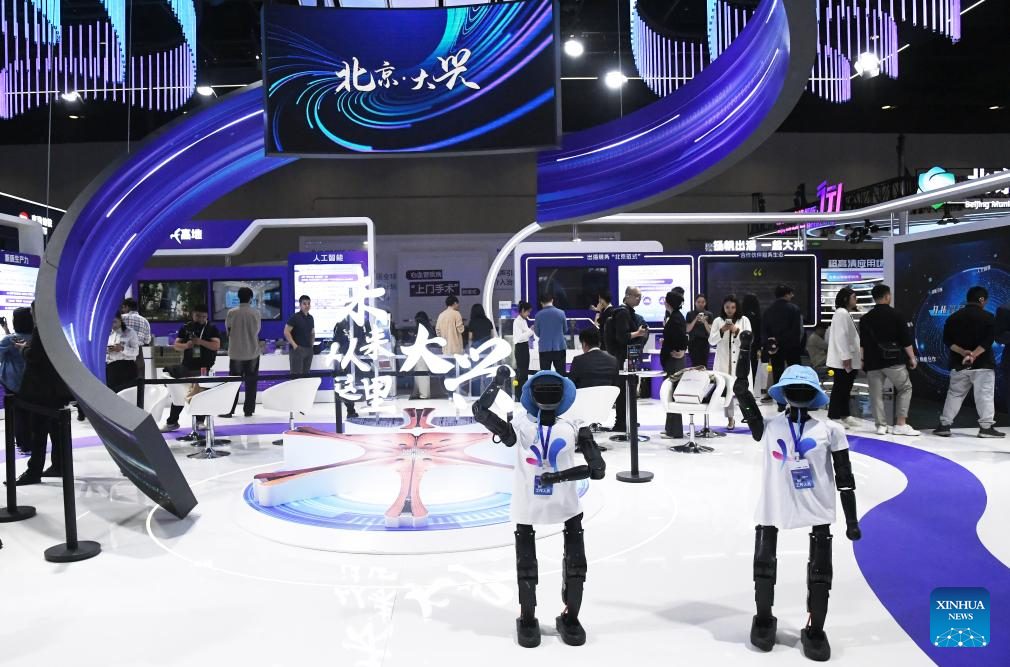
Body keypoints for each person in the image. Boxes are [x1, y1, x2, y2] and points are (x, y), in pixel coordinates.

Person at [734, 364, 862, 661]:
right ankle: (763, 618)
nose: (800, 392)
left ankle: (815, 628)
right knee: (763, 562)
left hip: (817, 504)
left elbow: (845, 479)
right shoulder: (770, 426)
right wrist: (742, 389)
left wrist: (852, 520)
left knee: (821, 569)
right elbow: (749, 408)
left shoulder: (831, 431)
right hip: (774, 503)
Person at [471, 370, 606, 648]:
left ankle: (564, 617)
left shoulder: (567, 424)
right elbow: (480, 412)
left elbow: (597, 468)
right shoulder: (529, 424)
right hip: (539, 500)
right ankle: (531, 617)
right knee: (531, 564)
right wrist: (496, 384)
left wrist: (557, 477)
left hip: (556, 500)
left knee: (572, 564)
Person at [15, 303, 74, 484]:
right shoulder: (58, 329)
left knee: (38, 431)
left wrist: (23, 349)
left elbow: (34, 357)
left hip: (41, 390)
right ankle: (58, 465)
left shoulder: (41, 329)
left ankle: (34, 471)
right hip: (55, 389)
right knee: (55, 430)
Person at [935, 286, 1005, 438]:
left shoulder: (953, 317)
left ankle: (944, 426)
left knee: (954, 395)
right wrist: (973, 355)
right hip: (983, 365)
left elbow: (947, 341)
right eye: (986, 300)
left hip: (959, 363)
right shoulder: (988, 317)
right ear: (982, 299)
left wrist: (964, 353)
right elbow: (988, 341)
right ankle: (986, 428)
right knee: (984, 396)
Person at [859, 284, 919, 436]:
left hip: (872, 362)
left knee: (875, 394)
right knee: (905, 388)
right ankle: (900, 424)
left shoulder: (865, 319)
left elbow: (863, 343)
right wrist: (912, 357)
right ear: (887, 296)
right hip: (893, 361)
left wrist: (862, 360)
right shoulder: (897, 315)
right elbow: (905, 340)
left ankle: (881, 426)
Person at [161, 305, 221, 432]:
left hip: (204, 367)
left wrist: (200, 342)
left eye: (204, 316)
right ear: (192, 315)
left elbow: (216, 346)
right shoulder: (186, 327)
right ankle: (172, 422)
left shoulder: (211, 328)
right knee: (180, 394)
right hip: (187, 367)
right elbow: (176, 345)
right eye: (198, 316)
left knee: (201, 395)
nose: (201, 319)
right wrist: (186, 345)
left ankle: (199, 421)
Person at [607, 286, 650, 431]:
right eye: (636, 296)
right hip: (622, 358)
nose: (639, 299)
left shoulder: (628, 312)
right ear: (627, 296)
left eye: (640, 296)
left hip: (626, 358)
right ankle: (621, 423)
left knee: (628, 390)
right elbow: (622, 337)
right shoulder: (623, 313)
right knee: (623, 391)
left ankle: (628, 420)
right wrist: (638, 333)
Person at [709, 295, 752, 430]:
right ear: (723, 307)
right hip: (724, 361)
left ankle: (749, 417)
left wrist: (736, 330)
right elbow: (712, 341)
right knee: (728, 393)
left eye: (733, 307)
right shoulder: (717, 321)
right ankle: (730, 419)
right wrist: (722, 330)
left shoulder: (744, 320)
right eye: (727, 307)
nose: (730, 310)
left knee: (743, 392)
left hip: (740, 361)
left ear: (736, 307)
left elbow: (749, 339)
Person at [223, 286, 262, 418]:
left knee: (233, 384)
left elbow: (228, 331)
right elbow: (257, 331)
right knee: (251, 383)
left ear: (238, 297)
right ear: (250, 298)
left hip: (236, 353)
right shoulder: (255, 313)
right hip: (252, 352)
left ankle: (229, 410)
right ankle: (248, 410)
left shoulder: (231, 312)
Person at [762, 285, 804, 406]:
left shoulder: (768, 310)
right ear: (787, 294)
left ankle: (781, 403)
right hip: (792, 347)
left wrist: (772, 343)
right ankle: (795, 401)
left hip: (775, 349)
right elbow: (797, 331)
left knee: (777, 374)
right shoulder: (794, 309)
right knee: (795, 374)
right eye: (791, 293)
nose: (792, 296)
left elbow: (764, 331)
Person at [826, 287, 861, 429]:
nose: (856, 299)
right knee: (840, 388)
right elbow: (841, 336)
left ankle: (845, 414)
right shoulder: (841, 313)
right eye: (854, 297)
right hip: (843, 360)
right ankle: (834, 415)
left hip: (847, 359)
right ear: (846, 299)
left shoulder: (844, 313)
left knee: (846, 388)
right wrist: (846, 356)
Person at [0, 307, 34, 455]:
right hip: (31, 383)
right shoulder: (35, 338)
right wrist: (6, 330)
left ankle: (23, 444)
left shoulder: (9, 340)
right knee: (29, 413)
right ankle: (29, 443)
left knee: (18, 415)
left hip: (12, 383)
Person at [659, 290, 687, 439]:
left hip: (674, 361)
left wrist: (681, 350)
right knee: (669, 393)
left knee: (673, 393)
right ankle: (670, 428)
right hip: (671, 360)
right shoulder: (674, 316)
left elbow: (682, 337)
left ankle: (675, 431)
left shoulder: (676, 318)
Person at [534, 293, 567, 375]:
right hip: (559, 347)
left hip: (544, 349)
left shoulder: (538, 315)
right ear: (552, 300)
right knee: (561, 374)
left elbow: (537, 332)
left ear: (541, 302)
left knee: (545, 374)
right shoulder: (561, 313)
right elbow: (565, 329)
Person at [106, 313, 140, 392]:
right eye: (110, 322)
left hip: (127, 366)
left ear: (120, 320)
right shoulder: (107, 333)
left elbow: (136, 351)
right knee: (113, 393)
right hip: (111, 367)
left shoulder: (130, 332)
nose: (112, 325)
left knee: (128, 393)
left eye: (114, 322)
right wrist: (108, 350)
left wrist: (122, 349)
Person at [120, 297, 151, 381]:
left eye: (123, 307)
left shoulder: (121, 318)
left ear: (127, 307)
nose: (122, 310)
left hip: (123, 354)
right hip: (138, 356)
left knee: (123, 384)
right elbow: (147, 340)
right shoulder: (145, 321)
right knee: (139, 384)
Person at [284, 295, 315, 374]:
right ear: (300, 305)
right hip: (297, 350)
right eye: (304, 303)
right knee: (296, 376)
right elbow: (286, 332)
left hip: (308, 350)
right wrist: (295, 346)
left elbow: (312, 333)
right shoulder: (295, 317)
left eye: (308, 303)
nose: (307, 305)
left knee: (305, 376)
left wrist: (311, 347)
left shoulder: (311, 318)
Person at [512, 301, 534, 398]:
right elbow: (519, 338)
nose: (529, 314)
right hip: (520, 348)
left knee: (525, 372)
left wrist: (530, 331)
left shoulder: (523, 321)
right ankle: (518, 395)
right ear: (523, 310)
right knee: (521, 373)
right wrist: (531, 331)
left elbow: (526, 334)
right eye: (528, 312)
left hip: (524, 347)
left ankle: (524, 395)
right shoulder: (517, 321)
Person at [685, 294, 714, 368]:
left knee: (704, 365)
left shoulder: (709, 314)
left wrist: (705, 321)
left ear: (705, 303)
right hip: (693, 343)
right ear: (695, 303)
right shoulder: (690, 314)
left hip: (705, 343)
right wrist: (695, 319)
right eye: (698, 302)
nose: (700, 304)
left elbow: (710, 331)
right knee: (694, 365)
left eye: (703, 302)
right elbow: (687, 329)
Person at [412, 311, 435, 400]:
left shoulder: (419, 327)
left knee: (420, 375)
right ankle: (422, 393)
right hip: (427, 351)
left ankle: (422, 394)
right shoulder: (429, 326)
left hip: (420, 353)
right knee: (423, 374)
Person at [742, 293, 763, 381]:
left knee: (741, 369)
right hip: (753, 347)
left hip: (741, 346)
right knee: (753, 369)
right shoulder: (757, 316)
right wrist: (759, 348)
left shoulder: (741, 316)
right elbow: (759, 334)